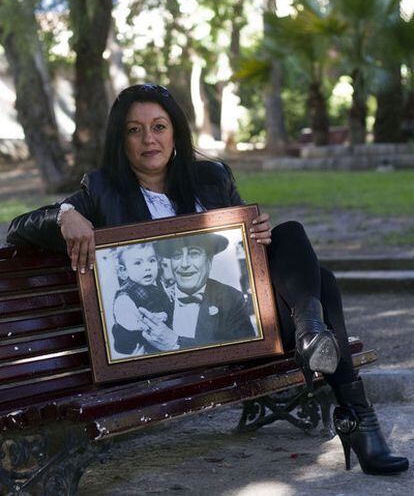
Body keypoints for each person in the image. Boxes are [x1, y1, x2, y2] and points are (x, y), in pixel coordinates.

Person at [7, 83, 409, 476]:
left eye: (159, 126)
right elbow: (18, 230)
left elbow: (244, 265)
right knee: (323, 281)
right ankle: (352, 408)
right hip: (171, 347)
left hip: (238, 328)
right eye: (135, 129)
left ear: (176, 133)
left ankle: (311, 332)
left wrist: (256, 238)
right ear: (122, 139)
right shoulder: (101, 189)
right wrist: (65, 214)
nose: (149, 139)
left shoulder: (212, 178)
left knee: (289, 235)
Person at [140, 233, 255, 350]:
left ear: (209, 260)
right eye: (177, 256)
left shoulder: (231, 298)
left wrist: (177, 343)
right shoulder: (153, 299)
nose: (184, 264)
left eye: (194, 254)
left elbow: (245, 349)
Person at [111, 242, 173, 355]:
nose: (147, 267)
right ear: (123, 271)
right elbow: (128, 322)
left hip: (162, 339)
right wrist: (155, 318)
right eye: (138, 263)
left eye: (151, 260)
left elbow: (160, 298)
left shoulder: (156, 284)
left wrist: (168, 295)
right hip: (140, 344)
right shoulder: (124, 297)